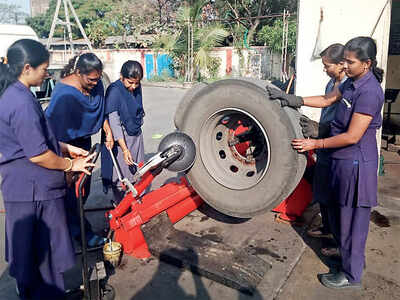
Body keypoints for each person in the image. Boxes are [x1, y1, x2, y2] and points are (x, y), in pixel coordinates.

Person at [266, 36, 384, 289]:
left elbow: (352, 136)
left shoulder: (370, 92)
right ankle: (347, 261)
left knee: (353, 223)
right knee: (341, 217)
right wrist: (294, 100)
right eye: (344, 61)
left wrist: (315, 144)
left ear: (367, 63)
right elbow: (328, 99)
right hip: (342, 161)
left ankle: (352, 276)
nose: (345, 66)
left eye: (350, 62)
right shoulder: (352, 83)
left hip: (356, 165)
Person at [0, 39, 95, 299]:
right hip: (34, 190)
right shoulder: (20, 102)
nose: (47, 74)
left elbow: (35, 138)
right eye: (44, 69)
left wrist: (64, 147)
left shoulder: (17, 95)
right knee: (44, 258)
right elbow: (38, 154)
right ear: (27, 68)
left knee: (31, 255)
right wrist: (70, 164)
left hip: (25, 187)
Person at [45, 53, 113, 247]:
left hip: (82, 140)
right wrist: (68, 166)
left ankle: (75, 223)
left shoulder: (95, 83)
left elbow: (99, 110)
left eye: (98, 79)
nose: (95, 83)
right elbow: (57, 134)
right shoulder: (65, 95)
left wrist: (107, 130)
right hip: (63, 143)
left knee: (84, 188)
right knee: (71, 192)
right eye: (91, 79)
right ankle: (78, 233)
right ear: (78, 73)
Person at [301, 43, 347, 258]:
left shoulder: (349, 86)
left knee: (336, 198)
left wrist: (320, 131)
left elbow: (345, 124)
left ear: (341, 64)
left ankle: (340, 245)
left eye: (327, 65)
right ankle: (327, 228)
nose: (325, 69)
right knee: (322, 192)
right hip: (325, 143)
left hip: (337, 145)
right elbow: (325, 102)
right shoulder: (332, 82)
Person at [101, 60, 145, 203]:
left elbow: (137, 112)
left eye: (136, 83)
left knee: (138, 172)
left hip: (135, 136)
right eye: (130, 82)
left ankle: (137, 205)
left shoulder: (136, 88)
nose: (133, 87)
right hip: (121, 141)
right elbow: (114, 124)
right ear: (121, 76)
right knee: (121, 176)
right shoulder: (114, 91)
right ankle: (121, 207)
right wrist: (125, 150)